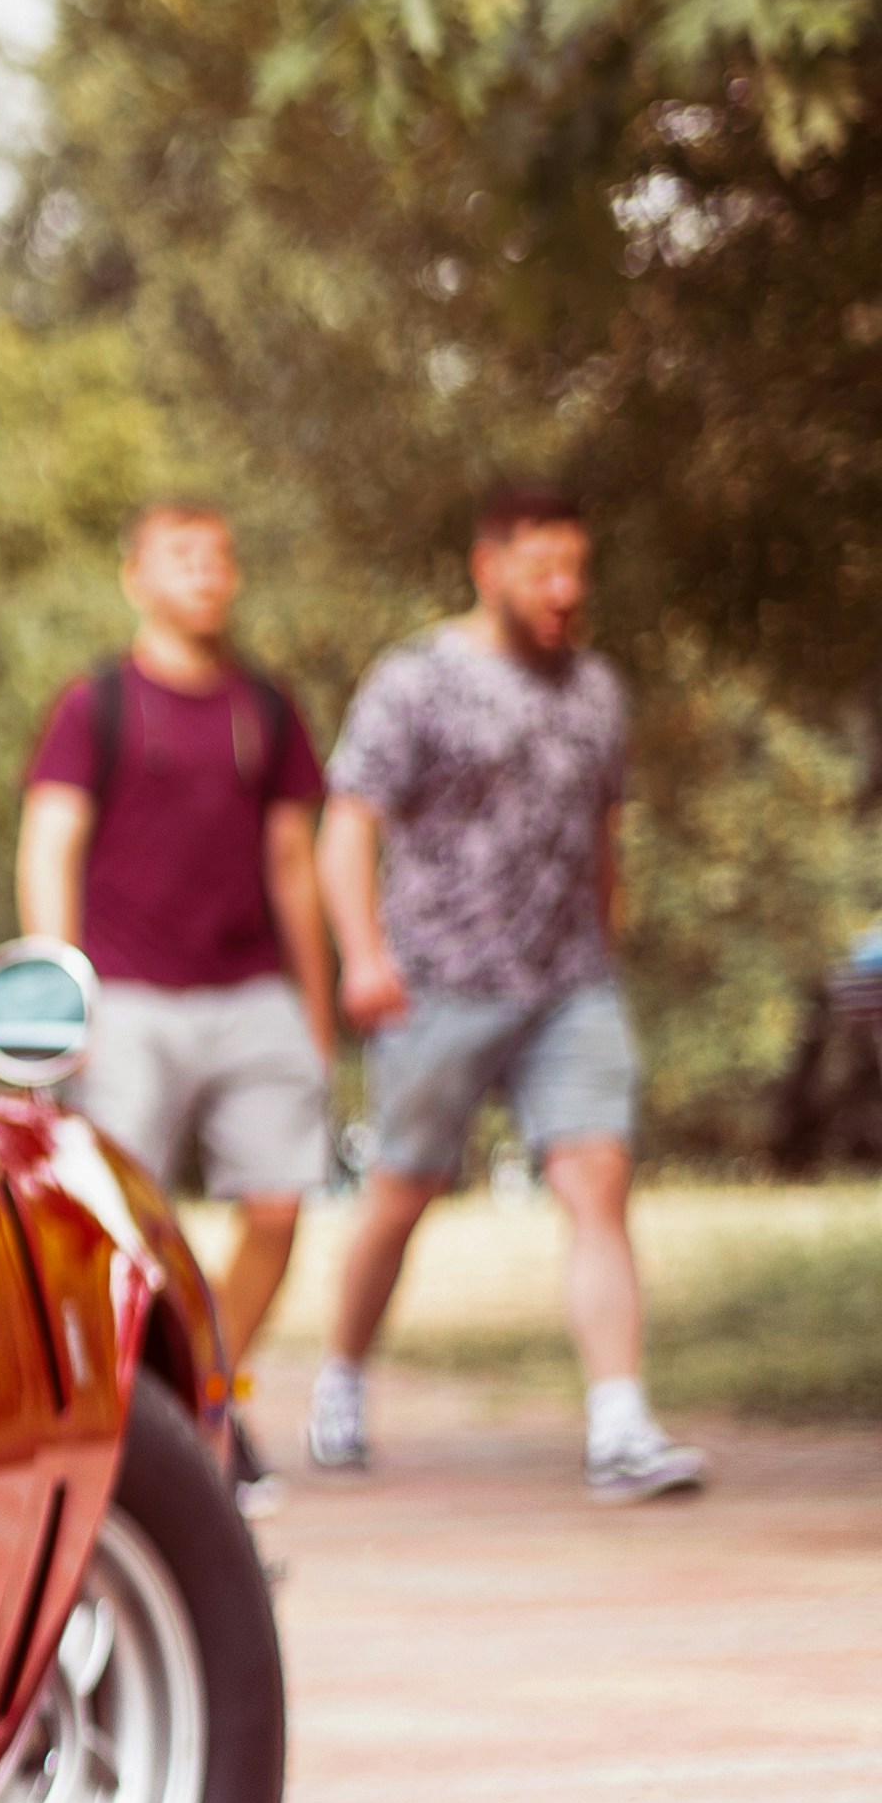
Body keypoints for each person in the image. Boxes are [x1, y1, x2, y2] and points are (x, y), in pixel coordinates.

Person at [305, 482, 703, 1502]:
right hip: (439, 978)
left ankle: (618, 1422)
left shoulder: (596, 689)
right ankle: (341, 1381)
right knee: (402, 1191)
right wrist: (362, 954)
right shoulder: (415, 680)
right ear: (489, 568)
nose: (564, 590)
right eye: (542, 570)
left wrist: (603, 946)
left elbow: (602, 830)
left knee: (595, 1178)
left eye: (576, 569)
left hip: (568, 982)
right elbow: (350, 819)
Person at [17, 499, 330, 1397]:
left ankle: (206, 1390)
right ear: (136, 578)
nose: (206, 571)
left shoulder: (267, 709)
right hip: (126, 997)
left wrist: (314, 1007)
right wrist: (58, 999)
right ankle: (133, 1399)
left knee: (276, 1207)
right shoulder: (96, 704)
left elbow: (291, 862)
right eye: (183, 554)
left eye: (220, 556)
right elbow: (49, 845)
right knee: (124, 1218)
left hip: (249, 989)